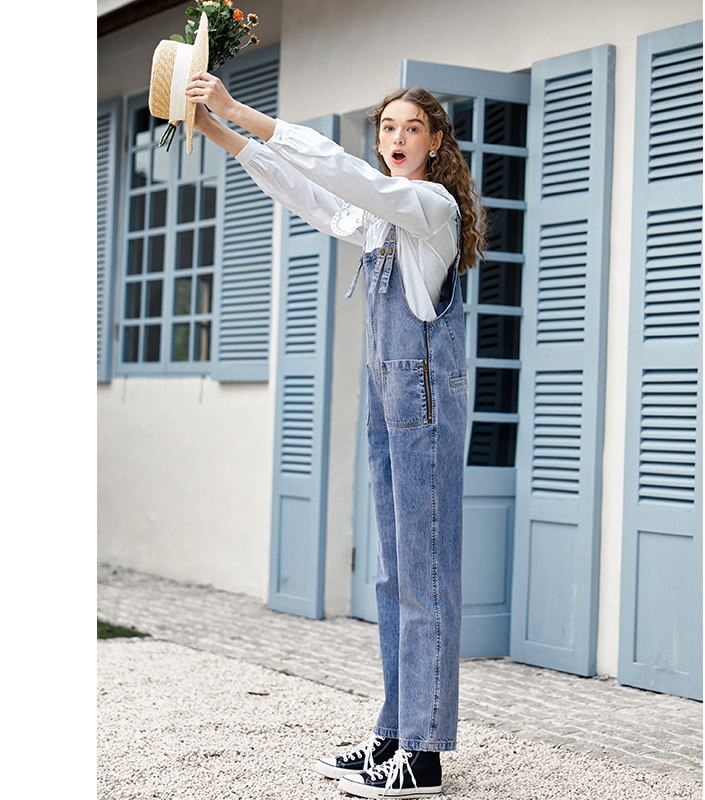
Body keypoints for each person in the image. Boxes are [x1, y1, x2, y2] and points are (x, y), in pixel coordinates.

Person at [186, 72, 486, 798]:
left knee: (424, 577)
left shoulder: (429, 206)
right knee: (392, 576)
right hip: (389, 404)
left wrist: (237, 108)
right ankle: (395, 730)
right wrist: (218, 133)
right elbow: (310, 194)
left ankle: (422, 756)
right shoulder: (382, 219)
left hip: (422, 405)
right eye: (387, 127)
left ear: (435, 143)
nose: (397, 138)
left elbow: (340, 172)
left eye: (412, 128)